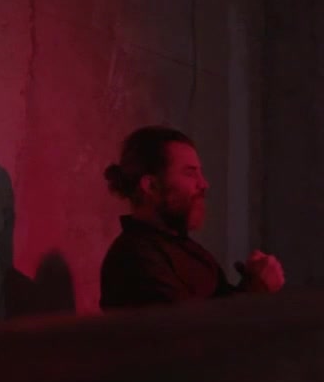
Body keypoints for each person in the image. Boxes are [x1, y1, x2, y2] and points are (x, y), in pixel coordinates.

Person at [99, 126, 285, 309]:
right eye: (190, 173)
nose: (204, 184)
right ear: (151, 186)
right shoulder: (134, 258)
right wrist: (255, 291)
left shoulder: (185, 249)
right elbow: (189, 325)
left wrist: (251, 283)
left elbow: (219, 311)